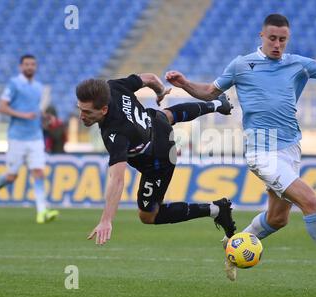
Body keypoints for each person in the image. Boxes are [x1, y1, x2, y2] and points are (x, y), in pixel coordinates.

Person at [165, 13, 316, 286]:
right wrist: (185, 84)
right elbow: (211, 92)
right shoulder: (241, 64)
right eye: (272, 38)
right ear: (262, 36)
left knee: (278, 218)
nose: (277, 44)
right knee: (309, 200)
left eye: (282, 39)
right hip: (261, 151)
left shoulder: (297, 64)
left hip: (290, 148)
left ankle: (233, 245)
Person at [75, 73, 236, 246]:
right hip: (154, 123)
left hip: (159, 159)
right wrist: (160, 92)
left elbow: (117, 179)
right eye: (80, 109)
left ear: (104, 109)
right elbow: (151, 79)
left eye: (87, 112)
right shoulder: (113, 86)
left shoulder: (116, 134)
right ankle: (219, 104)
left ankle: (216, 209)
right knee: (166, 115)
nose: (81, 116)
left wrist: (106, 220)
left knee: (148, 215)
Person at [0, 54, 59, 224]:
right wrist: (22, 115)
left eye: (32, 64)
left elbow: (36, 110)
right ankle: (42, 211)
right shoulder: (14, 84)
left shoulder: (39, 87)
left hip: (35, 137)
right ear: (20, 67)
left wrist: (46, 117)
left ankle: (42, 212)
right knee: (11, 177)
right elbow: (2, 107)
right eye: (26, 64)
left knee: (38, 172)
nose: (30, 67)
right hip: (17, 137)